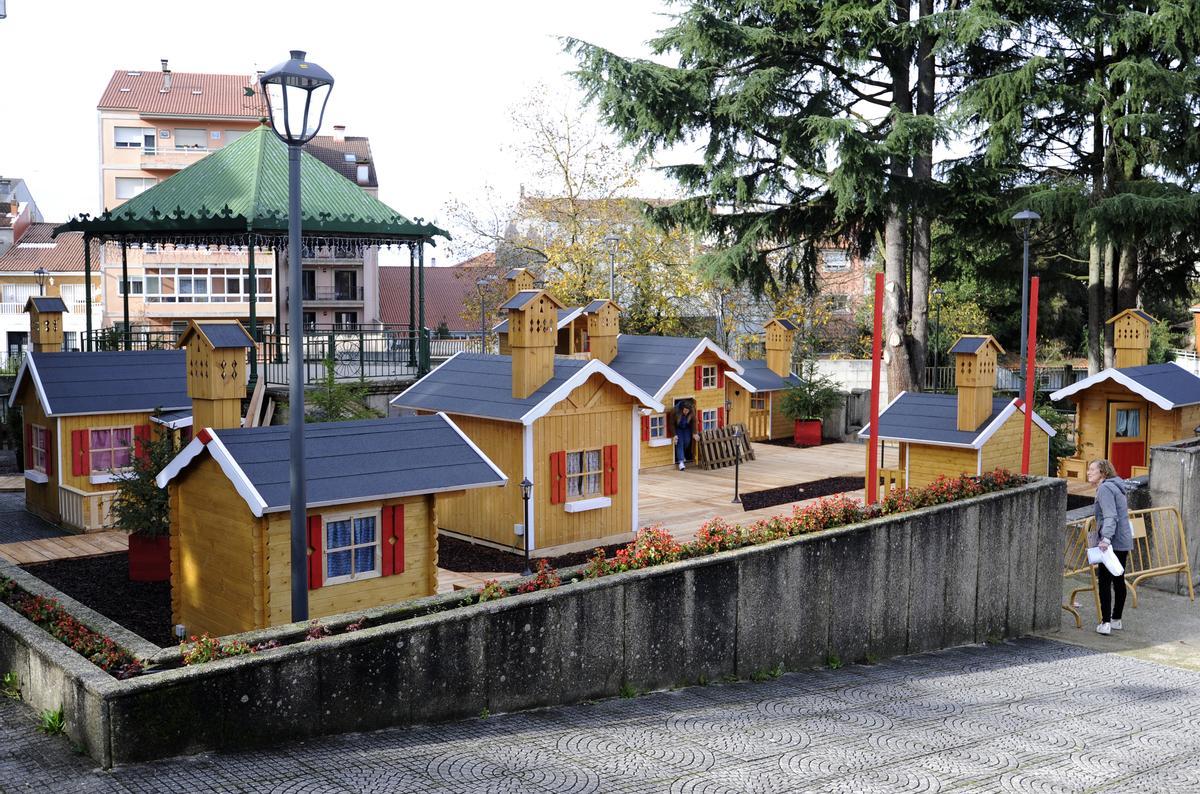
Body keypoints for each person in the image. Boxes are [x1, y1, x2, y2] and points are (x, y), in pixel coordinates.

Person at [1087, 458, 1134, 636]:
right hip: (1122, 540)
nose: (1088, 472)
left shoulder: (1105, 488)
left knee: (1105, 581)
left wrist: (1105, 539)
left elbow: (1110, 516)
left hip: (1112, 541)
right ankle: (1116, 620)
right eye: (1088, 469)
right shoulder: (1116, 486)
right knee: (1119, 579)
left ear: (1103, 473)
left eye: (1093, 470)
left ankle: (1105, 622)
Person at [674, 405, 694, 471]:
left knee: (687, 442)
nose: (686, 412)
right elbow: (672, 424)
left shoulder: (691, 414)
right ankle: (681, 462)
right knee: (680, 443)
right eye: (685, 410)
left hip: (686, 428)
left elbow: (694, 422)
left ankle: (682, 455)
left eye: (687, 411)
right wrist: (675, 434)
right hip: (679, 428)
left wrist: (694, 433)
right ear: (682, 409)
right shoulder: (677, 413)